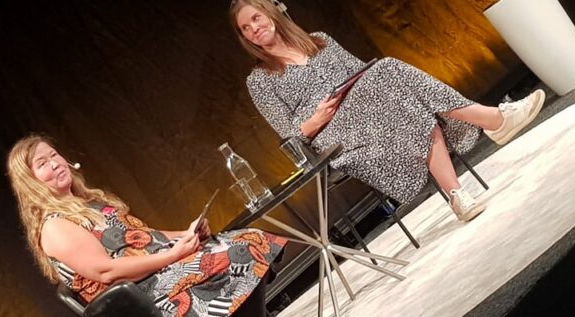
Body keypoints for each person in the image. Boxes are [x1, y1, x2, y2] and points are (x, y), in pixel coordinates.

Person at [6, 133, 303, 317]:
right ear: (30, 182)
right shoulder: (55, 226)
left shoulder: (90, 202)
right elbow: (107, 271)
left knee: (248, 238)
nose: (55, 164)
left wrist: (186, 236)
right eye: (42, 164)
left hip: (159, 269)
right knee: (240, 252)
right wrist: (174, 254)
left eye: (54, 155)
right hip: (138, 295)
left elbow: (146, 237)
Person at [229, 0, 545, 222]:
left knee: (399, 97)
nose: (253, 29)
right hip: (332, 137)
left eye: (256, 18)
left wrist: (353, 91)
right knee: (391, 75)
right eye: (245, 28)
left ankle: (458, 196)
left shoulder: (320, 41)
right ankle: (494, 119)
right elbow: (290, 139)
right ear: (244, 38)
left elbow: (360, 73)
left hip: (373, 110)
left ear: (272, 13)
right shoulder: (260, 79)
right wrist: (316, 119)